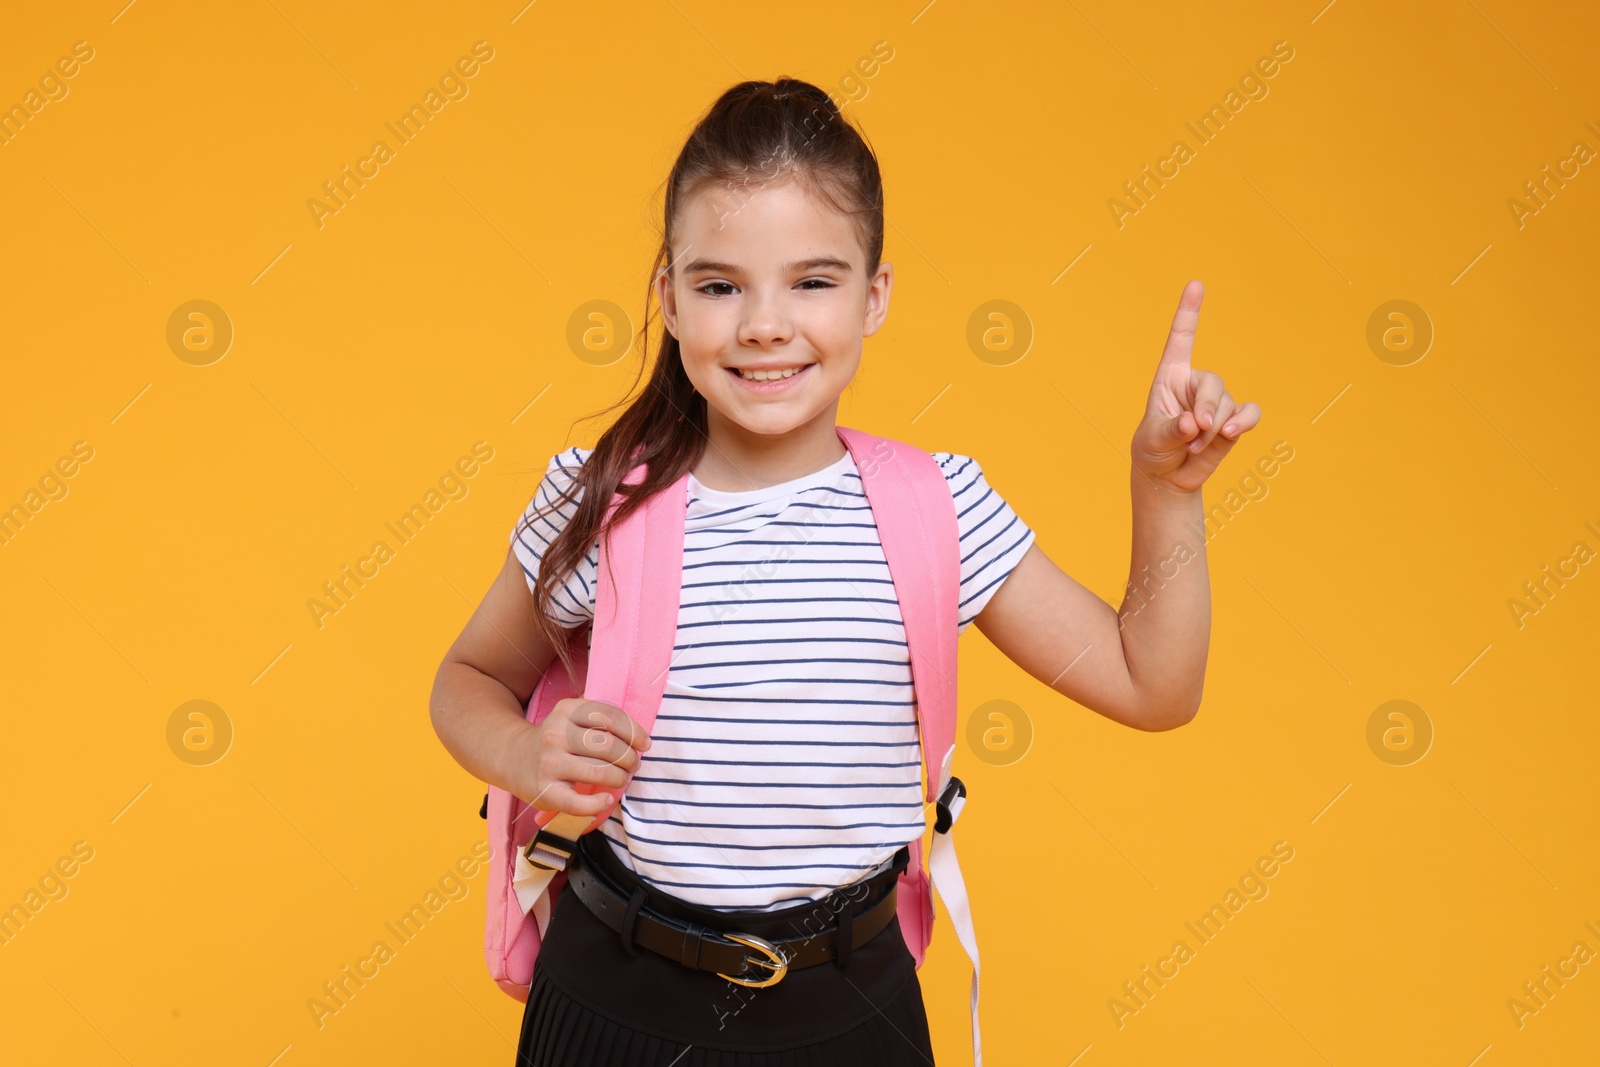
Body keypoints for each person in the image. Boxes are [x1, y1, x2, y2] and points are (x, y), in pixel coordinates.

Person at [429, 76, 1261, 1065]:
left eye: (812, 282)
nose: (764, 325)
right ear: (667, 296)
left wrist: (1162, 488)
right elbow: (466, 679)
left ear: (875, 298)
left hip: (848, 1016)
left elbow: (1152, 684)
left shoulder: (936, 508)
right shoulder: (599, 499)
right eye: (719, 283)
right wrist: (521, 758)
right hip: (611, 1001)